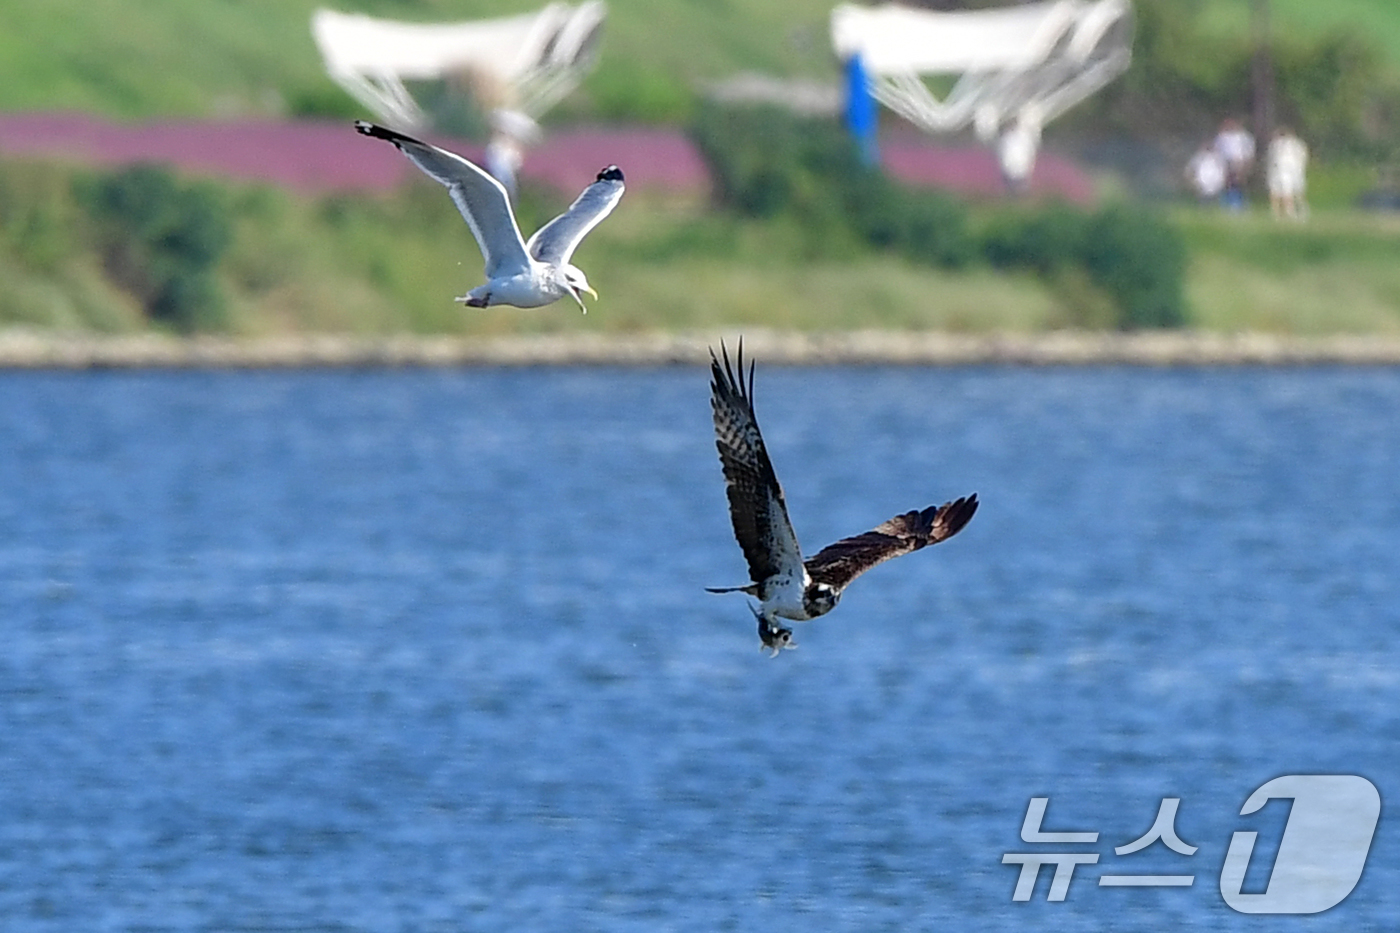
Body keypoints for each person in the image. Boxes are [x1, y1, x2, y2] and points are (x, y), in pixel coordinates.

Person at [1213, 118, 1255, 211]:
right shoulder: (1222, 136)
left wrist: (1246, 164)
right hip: (1226, 162)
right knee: (1228, 182)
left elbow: (1249, 151)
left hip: (1240, 161)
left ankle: (1241, 204)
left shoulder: (1244, 137)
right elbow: (1217, 150)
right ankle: (1228, 203)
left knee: (1240, 182)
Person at [1267, 127, 1309, 220]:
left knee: (1289, 192)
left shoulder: (1292, 144)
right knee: (1280, 192)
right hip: (1282, 170)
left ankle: (1292, 212)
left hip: (1288, 170)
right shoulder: (1276, 144)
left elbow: (1302, 157)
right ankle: (1281, 213)